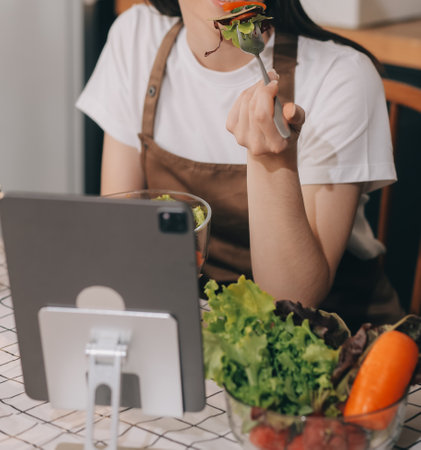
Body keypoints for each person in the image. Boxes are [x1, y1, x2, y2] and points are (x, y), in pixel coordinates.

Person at [76, 0, 405, 332]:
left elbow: (295, 299)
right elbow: (120, 233)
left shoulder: (341, 75)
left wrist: (273, 161)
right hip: (200, 320)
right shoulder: (136, 35)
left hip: (334, 336)